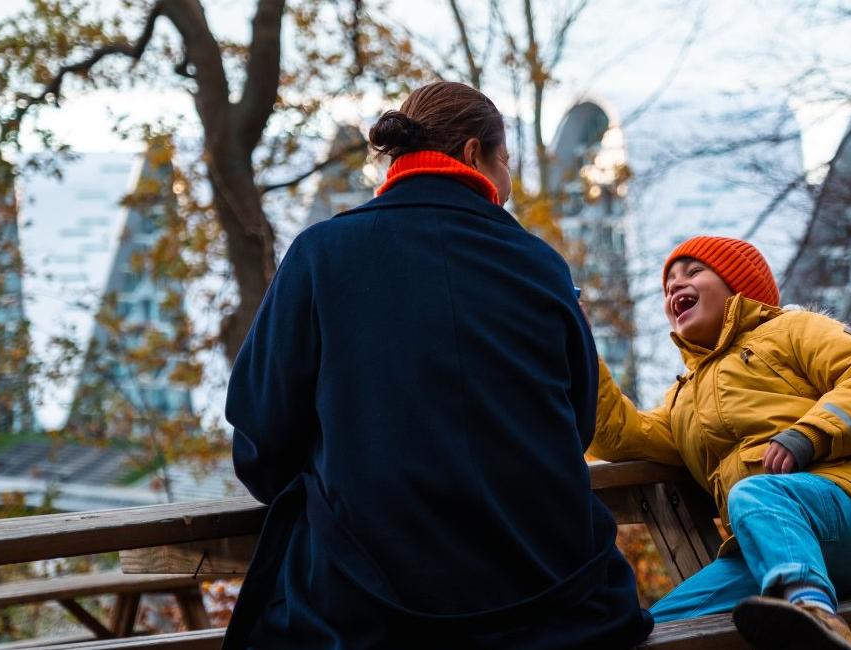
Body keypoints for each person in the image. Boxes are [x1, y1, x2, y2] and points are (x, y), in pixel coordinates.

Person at [221, 81, 651, 649]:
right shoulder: (540, 266)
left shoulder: (321, 254)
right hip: (556, 606)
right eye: (506, 164)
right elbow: (575, 428)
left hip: (367, 610)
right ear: (474, 154)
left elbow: (260, 444)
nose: (507, 184)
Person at [589, 235, 851, 650]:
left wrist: (809, 435)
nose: (674, 287)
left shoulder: (793, 329)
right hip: (768, 551)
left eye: (693, 272)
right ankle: (803, 609)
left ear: (738, 282)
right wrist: (578, 342)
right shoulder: (683, 400)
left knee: (753, 493)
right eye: (667, 285)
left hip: (847, 513)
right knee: (651, 630)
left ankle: (814, 615)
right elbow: (619, 435)